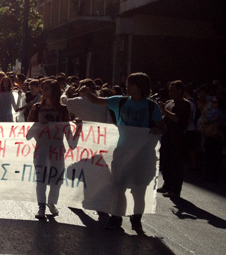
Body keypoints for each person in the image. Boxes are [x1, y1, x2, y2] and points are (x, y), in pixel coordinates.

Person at [80, 72, 166, 234]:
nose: (127, 87)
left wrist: (157, 129)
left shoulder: (151, 106)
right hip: (122, 152)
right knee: (118, 185)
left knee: (138, 188)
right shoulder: (120, 101)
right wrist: (87, 92)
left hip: (143, 154)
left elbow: (162, 126)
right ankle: (116, 215)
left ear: (140, 87)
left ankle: (136, 217)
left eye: (130, 84)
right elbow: (96, 101)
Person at [27, 79, 71, 219]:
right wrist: (39, 124)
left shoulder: (63, 109)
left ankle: (51, 203)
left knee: (56, 179)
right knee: (41, 179)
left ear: (55, 92)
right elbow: (28, 134)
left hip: (57, 149)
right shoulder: (37, 108)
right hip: (42, 149)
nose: (43, 91)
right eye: (43, 88)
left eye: (47, 89)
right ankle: (41, 207)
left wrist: (78, 126)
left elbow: (67, 130)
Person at [158, 81, 192, 199]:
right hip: (166, 136)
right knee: (165, 163)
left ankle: (175, 190)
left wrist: (164, 111)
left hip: (177, 139)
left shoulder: (185, 104)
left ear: (180, 90)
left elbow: (178, 120)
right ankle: (167, 185)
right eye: (170, 90)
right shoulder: (169, 102)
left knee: (176, 165)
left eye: (173, 90)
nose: (170, 92)